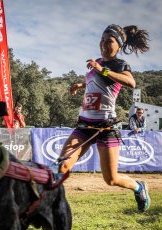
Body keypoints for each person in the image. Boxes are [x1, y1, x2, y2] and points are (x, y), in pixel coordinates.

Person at [58, 24, 151, 212]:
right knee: (62, 165)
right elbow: (93, 81)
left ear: (119, 45)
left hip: (107, 127)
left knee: (111, 179)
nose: (103, 44)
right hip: (85, 125)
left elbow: (131, 82)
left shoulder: (119, 65)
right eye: (102, 40)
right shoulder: (98, 63)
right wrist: (79, 84)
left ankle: (139, 187)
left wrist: (102, 70)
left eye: (109, 41)